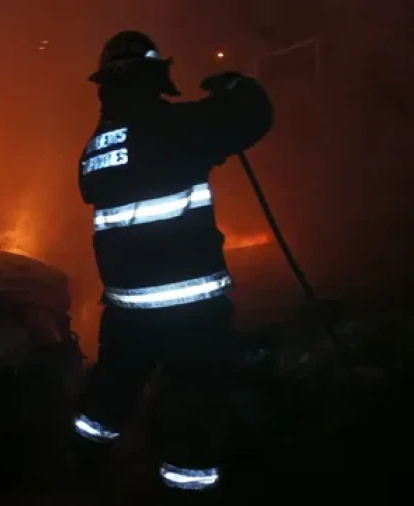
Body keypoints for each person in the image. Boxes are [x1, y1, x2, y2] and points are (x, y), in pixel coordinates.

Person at [72, 31, 273, 500]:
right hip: (188, 307)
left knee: (112, 386)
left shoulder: (95, 148)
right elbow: (251, 117)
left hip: (126, 306)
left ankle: (83, 463)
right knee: (194, 399)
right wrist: (235, 86)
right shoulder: (175, 127)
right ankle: (188, 488)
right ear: (153, 76)